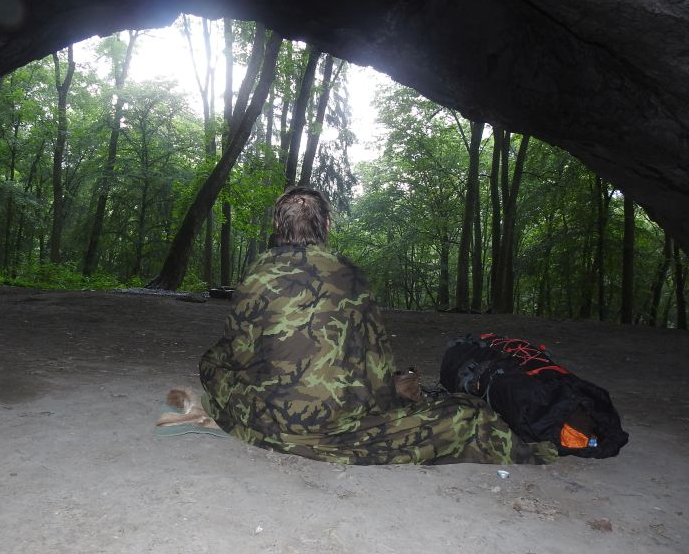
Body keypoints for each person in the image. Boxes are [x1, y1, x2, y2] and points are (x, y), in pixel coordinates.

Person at [199, 186, 557, 465]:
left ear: (278, 227)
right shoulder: (349, 275)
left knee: (213, 361)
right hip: (336, 420)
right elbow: (377, 360)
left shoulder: (256, 275)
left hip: (268, 418)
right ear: (326, 225)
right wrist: (389, 400)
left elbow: (241, 356)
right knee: (464, 413)